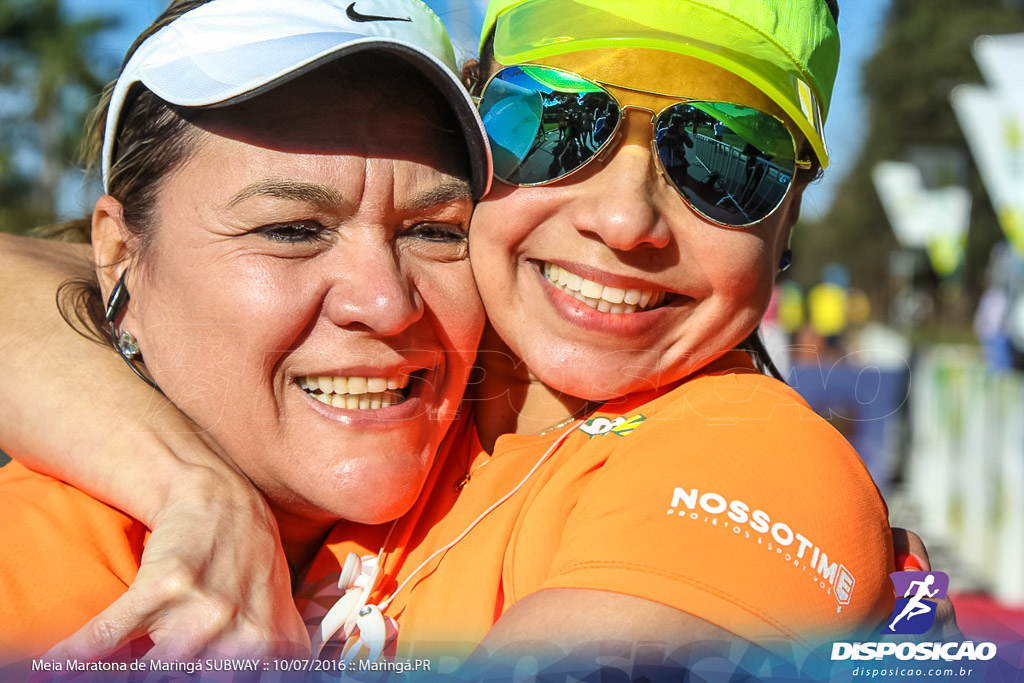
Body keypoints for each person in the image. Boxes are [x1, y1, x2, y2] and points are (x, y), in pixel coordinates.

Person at [0, 0, 950, 675]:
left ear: (787, 225)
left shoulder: (747, 463)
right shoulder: (122, 497)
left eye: (728, 162)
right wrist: (191, 486)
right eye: (557, 125)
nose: (626, 221)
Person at [0, 0, 492, 664]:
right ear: (120, 256)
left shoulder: (547, 445)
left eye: (435, 230)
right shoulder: (33, 581)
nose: (386, 302)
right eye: (291, 229)